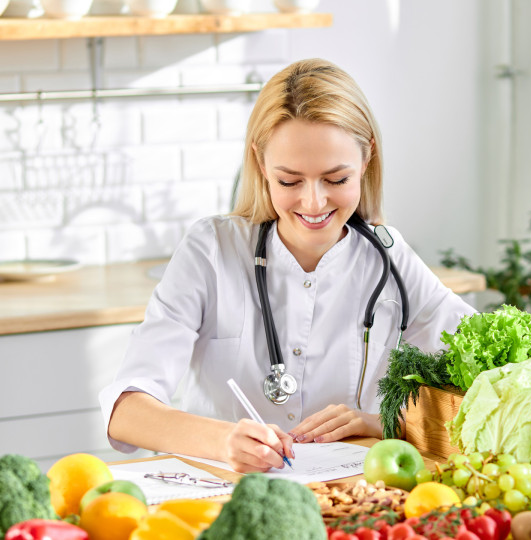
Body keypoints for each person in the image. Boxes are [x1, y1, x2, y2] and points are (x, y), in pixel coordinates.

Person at [100, 58, 476, 473]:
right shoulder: (211, 250)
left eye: (335, 179)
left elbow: (486, 383)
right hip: (218, 493)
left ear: (366, 157)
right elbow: (126, 411)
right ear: (261, 164)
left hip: (346, 499)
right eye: (289, 181)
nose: (313, 203)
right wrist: (222, 440)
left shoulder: (390, 258)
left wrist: (386, 423)